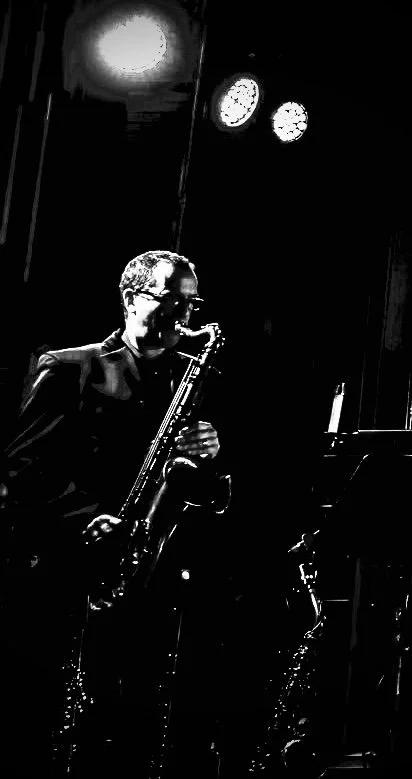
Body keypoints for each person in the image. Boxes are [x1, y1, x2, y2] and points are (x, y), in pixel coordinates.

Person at [1, 249, 227, 778]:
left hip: (152, 583)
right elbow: (20, 468)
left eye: (191, 304)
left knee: (134, 734)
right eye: (172, 300)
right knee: (47, 727)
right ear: (131, 299)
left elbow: (210, 494)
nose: (184, 316)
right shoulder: (70, 366)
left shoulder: (189, 377)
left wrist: (211, 456)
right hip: (71, 576)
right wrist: (88, 519)